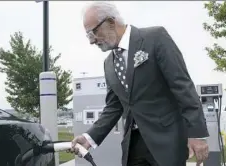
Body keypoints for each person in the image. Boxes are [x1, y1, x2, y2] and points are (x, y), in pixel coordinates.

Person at [70, 2, 209, 166]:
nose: (92, 41)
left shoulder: (155, 38)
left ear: (111, 22)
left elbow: (182, 87)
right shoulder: (108, 64)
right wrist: (89, 137)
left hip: (166, 144)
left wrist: (197, 134)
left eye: (93, 32)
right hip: (133, 147)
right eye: (89, 36)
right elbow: (114, 107)